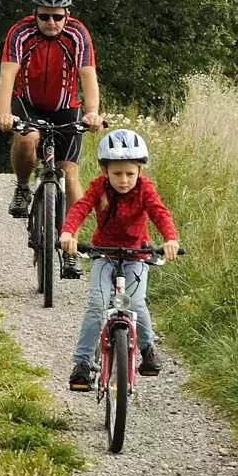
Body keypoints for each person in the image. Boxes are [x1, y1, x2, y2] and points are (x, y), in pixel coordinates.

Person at [57, 126, 178, 391]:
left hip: (137, 254)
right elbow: (80, 208)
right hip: (104, 253)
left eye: (130, 174)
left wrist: (170, 239)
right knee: (97, 305)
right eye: (117, 174)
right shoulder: (98, 187)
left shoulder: (144, 189)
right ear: (105, 172)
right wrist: (68, 232)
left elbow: (159, 213)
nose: (124, 180)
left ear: (140, 171)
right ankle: (82, 364)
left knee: (136, 302)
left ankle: (148, 350)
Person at [0, 0, 99, 234]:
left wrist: (92, 112)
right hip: (28, 102)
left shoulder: (78, 34)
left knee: (70, 173)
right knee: (26, 138)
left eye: (57, 16)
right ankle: (22, 187)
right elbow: (7, 75)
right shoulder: (20, 32)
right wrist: (3, 113)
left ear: (67, 15)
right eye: (44, 16)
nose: (51, 22)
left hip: (65, 106)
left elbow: (88, 75)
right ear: (35, 14)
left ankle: (71, 241)